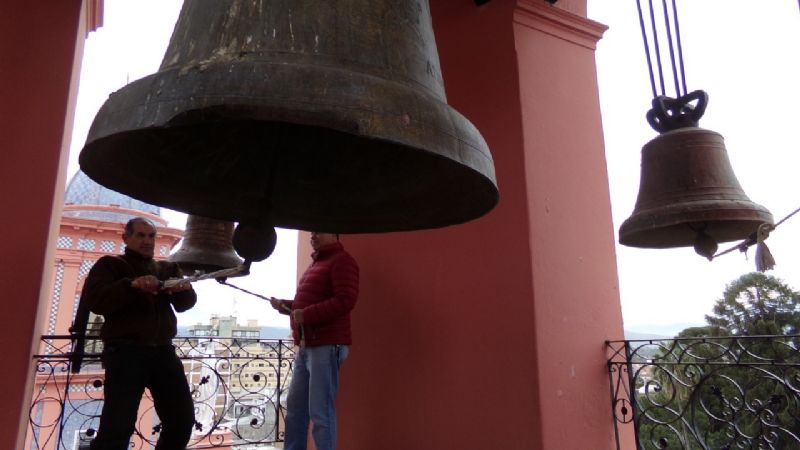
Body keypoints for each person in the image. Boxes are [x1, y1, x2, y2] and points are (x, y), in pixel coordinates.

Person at [80, 217, 197, 450]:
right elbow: (97, 301)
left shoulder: (167, 269)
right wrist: (131, 285)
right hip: (126, 353)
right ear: (126, 238)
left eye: (151, 236)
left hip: (163, 351)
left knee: (182, 420)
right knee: (117, 426)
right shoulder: (110, 265)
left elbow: (186, 303)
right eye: (140, 235)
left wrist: (183, 290)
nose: (147, 241)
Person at [270, 231, 359, 450]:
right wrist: (286, 305)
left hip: (327, 346)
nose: (313, 236)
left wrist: (306, 315)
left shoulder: (342, 261)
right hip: (308, 346)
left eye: (319, 231)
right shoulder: (318, 263)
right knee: (295, 409)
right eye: (311, 232)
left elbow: (345, 300)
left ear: (335, 234)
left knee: (320, 412)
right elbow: (308, 304)